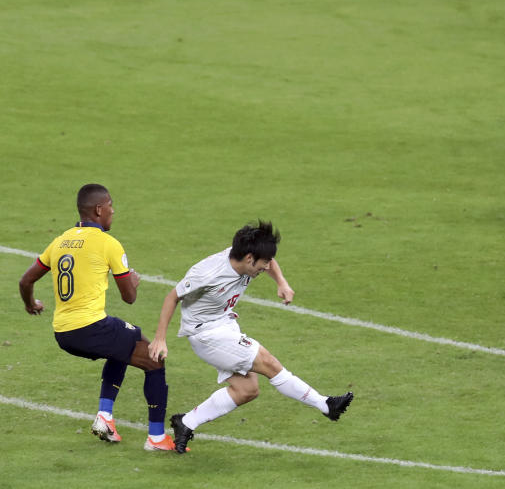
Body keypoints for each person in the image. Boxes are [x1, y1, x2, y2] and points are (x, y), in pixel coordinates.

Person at [149, 220, 353, 454]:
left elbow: (270, 261)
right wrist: (160, 338)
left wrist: (282, 283)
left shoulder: (250, 259)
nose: (266, 267)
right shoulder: (207, 273)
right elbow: (171, 297)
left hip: (225, 324)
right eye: (263, 264)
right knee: (268, 362)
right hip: (205, 333)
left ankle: (186, 423)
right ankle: (325, 404)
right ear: (249, 259)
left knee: (247, 390)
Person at [18, 183, 177, 450]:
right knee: (154, 358)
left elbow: (25, 281)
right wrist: (134, 283)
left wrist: (31, 303)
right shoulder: (108, 244)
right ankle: (157, 438)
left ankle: (105, 417)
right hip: (90, 328)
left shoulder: (60, 241)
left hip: (63, 332)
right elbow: (129, 298)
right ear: (99, 209)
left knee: (128, 339)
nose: (113, 211)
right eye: (111, 205)